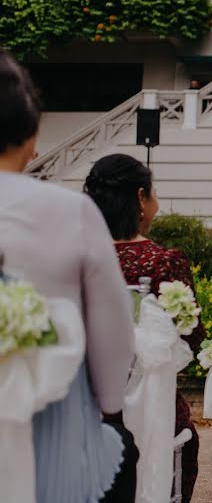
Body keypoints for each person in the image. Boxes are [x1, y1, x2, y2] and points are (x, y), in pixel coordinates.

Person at [0, 50, 139, 501]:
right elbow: (113, 333)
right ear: (30, 133)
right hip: (54, 430)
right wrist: (111, 409)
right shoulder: (68, 211)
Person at [83, 152, 204, 502]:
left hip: (84, 405)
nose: (157, 205)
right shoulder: (164, 263)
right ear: (140, 198)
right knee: (186, 439)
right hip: (152, 411)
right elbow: (192, 338)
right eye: (154, 194)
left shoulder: (79, 259)